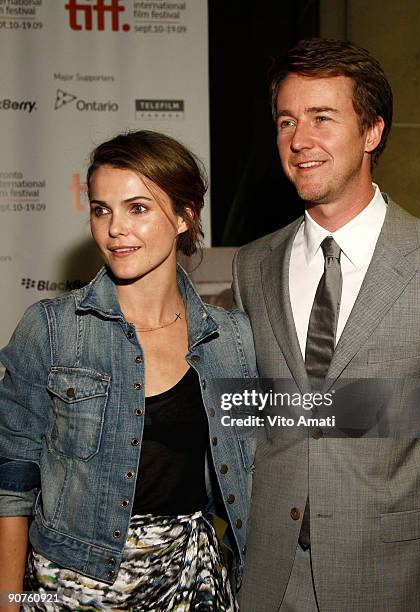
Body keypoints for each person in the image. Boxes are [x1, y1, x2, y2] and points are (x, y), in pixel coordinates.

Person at [233, 38, 420, 611]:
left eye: (322, 119)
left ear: (372, 132)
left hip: (395, 577)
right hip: (270, 576)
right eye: (287, 121)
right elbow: (248, 411)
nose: (299, 140)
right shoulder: (252, 264)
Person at [0, 130, 257, 611]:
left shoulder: (232, 337)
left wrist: (418, 411)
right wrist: (8, 600)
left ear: (185, 216)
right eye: (102, 209)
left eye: (137, 208)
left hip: (192, 580)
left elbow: (283, 430)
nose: (115, 228)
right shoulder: (52, 329)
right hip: (74, 587)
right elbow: (12, 481)